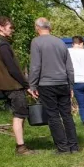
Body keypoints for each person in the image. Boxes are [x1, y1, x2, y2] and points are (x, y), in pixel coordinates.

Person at [29, 17, 79, 154]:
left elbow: (35, 66)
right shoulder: (61, 42)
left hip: (46, 84)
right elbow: (69, 67)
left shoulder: (36, 42)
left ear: (37, 28)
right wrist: (71, 85)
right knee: (67, 115)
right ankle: (74, 146)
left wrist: (32, 85)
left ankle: (63, 148)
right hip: (63, 83)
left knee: (53, 116)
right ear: (49, 28)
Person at [0, 16, 32, 155]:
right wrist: (27, 85)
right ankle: (21, 147)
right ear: (0, 27)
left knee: (19, 114)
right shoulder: (3, 44)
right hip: (13, 85)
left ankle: (21, 144)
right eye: (9, 27)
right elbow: (12, 69)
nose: (12, 29)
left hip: (5, 85)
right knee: (19, 115)